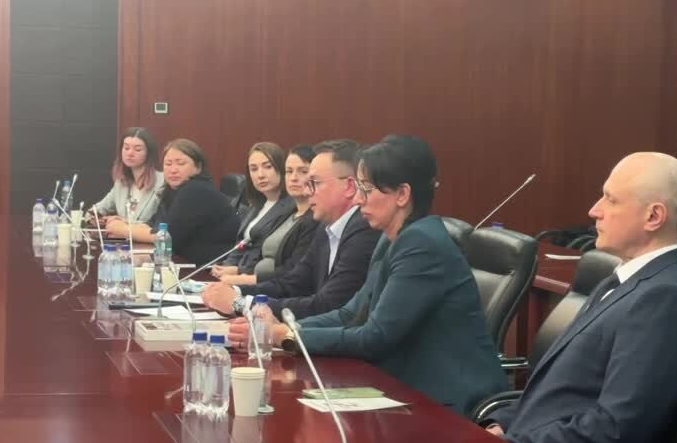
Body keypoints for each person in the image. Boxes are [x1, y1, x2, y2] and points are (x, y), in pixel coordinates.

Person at [481, 152, 677, 443]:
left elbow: (616, 428)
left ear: (653, 216)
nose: (594, 210)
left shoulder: (668, 297)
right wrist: (502, 426)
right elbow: (561, 391)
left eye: (611, 199)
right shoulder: (621, 282)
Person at [223, 135, 507, 415]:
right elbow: (351, 313)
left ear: (402, 194)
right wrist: (287, 329)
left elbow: (375, 337)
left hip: (447, 403)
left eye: (367, 189)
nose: (358, 199)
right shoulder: (392, 237)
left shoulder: (422, 245)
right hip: (404, 389)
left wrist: (286, 335)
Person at [201, 139, 380, 320]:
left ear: (349, 186)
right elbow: (293, 283)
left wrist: (242, 304)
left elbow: (328, 305)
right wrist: (235, 290)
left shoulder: (364, 230)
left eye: (314, 183)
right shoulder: (326, 227)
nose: (307, 191)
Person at [105, 139, 239, 266]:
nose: (173, 170)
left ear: (198, 167)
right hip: (183, 262)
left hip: (209, 270)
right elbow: (154, 225)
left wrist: (124, 230)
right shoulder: (172, 190)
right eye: (168, 164)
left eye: (180, 164)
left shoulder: (196, 190)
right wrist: (128, 223)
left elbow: (167, 238)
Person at [220, 144, 319, 285]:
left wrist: (242, 278)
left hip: (268, 287)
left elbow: (293, 271)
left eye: (303, 171)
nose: (293, 178)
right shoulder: (282, 212)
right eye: (289, 171)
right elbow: (247, 248)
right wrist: (230, 270)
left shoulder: (311, 217)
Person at [212, 142, 294, 276]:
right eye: (253, 169)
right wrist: (226, 267)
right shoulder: (256, 205)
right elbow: (241, 245)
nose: (260, 175)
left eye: (268, 167)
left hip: (258, 279)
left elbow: (266, 253)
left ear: (282, 168)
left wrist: (238, 271)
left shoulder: (291, 206)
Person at [91, 127, 164, 226]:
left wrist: (124, 222)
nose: (130, 153)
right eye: (126, 148)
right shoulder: (121, 183)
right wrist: (94, 218)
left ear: (149, 153)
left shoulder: (162, 182)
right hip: (122, 236)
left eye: (137, 149)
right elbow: (96, 210)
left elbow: (160, 224)